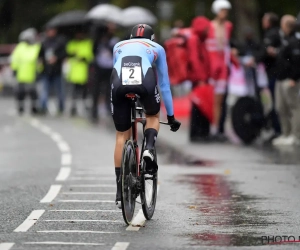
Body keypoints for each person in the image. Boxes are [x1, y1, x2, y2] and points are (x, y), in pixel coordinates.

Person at [111, 24, 181, 207]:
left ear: (130, 37)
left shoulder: (118, 46)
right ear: (152, 38)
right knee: (153, 115)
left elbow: (116, 69)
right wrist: (172, 117)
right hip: (145, 81)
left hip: (118, 84)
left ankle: (120, 190)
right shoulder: (157, 48)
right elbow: (164, 84)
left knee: (121, 135)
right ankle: (149, 147)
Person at [206, 0, 233, 139]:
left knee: (220, 100)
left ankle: (216, 128)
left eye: (226, 11)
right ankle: (212, 127)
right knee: (212, 99)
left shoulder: (228, 26)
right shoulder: (209, 26)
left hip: (222, 67)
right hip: (211, 67)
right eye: (222, 10)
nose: (225, 13)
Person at [273, 15, 300, 146]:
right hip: (281, 78)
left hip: (290, 80)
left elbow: (297, 62)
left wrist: (294, 78)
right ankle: (286, 133)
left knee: (294, 108)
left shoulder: (295, 41)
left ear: (287, 26)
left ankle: (296, 135)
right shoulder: (284, 40)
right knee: (281, 107)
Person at [259, 12, 281, 137]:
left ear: (268, 22)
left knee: (275, 102)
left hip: (273, 73)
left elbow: (265, 52)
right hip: (272, 73)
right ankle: (276, 128)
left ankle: (277, 129)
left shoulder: (271, 34)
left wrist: (255, 59)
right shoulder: (276, 33)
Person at [92, 23, 119, 122]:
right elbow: (94, 51)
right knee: (96, 90)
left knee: (109, 90)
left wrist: (108, 46)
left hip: (110, 68)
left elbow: (116, 52)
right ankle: (94, 111)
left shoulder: (114, 40)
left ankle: (109, 109)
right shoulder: (99, 39)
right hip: (99, 67)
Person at [10, 28, 41, 114]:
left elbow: (38, 61)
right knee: (20, 92)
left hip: (32, 74)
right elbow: (15, 59)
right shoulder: (20, 47)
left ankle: (34, 107)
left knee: (33, 92)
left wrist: (39, 71)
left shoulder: (36, 47)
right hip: (21, 74)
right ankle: (20, 107)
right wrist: (14, 70)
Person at [39, 27, 66, 114]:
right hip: (46, 70)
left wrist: (56, 58)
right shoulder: (44, 43)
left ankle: (61, 107)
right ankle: (43, 107)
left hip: (57, 70)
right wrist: (44, 61)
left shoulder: (59, 42)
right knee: (45, 90)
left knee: (59, 90)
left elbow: (64, 54)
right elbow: (40, 55)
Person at [66, 31, 94, 116]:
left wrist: (82, 57)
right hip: (73, 72)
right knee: (72, 92)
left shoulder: (87, 43)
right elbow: (68, 53)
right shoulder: (71, 43)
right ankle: (72, 108)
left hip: (82, 72)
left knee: (82, 92)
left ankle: (82, 109)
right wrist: (74, 54)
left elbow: (90, 56)